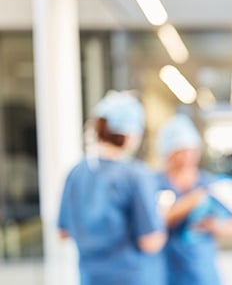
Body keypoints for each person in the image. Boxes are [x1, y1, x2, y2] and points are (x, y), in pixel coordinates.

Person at [58, 91, 166, 285]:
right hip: (131, 278)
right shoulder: (136, 176)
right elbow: (151, 242)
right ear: (131, 134)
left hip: (90, 278)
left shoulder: (76, 173)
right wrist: (162, 215)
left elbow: (64, 232)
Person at [154, 113, 227, 285]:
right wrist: (194, 199)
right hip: (166, 269)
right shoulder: (156, 183)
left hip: (201, 270)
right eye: (181, 151)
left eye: (191, 150)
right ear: (168, 153)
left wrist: (215, 225)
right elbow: (157, 221)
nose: (188, 156)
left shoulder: (209, 182)